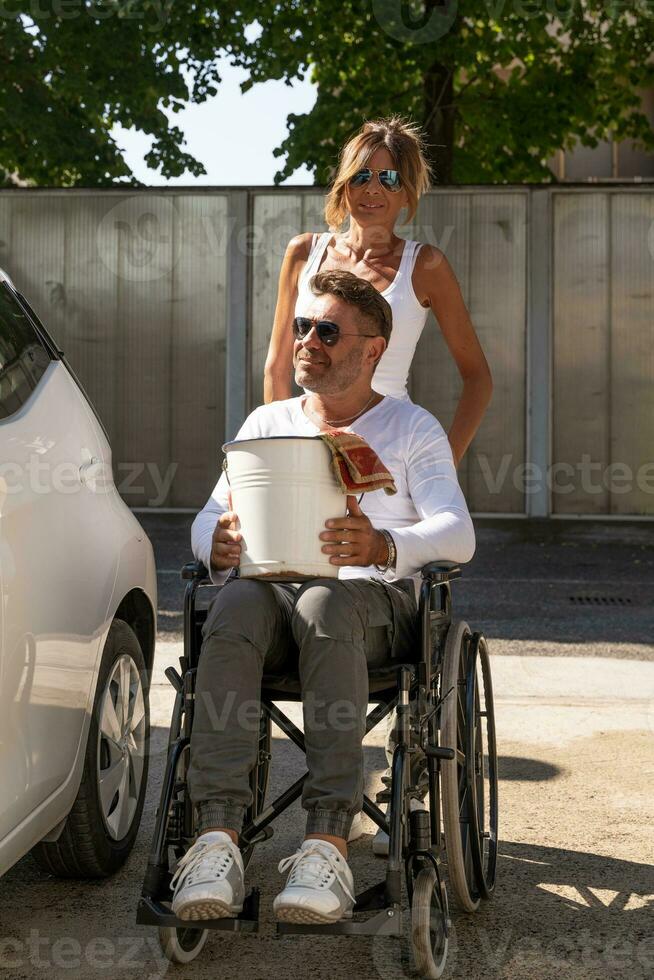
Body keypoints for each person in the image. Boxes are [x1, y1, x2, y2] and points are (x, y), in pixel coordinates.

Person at [171, 270, 475, 926]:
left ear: (372, 350)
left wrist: (383, 546)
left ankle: (327, 843)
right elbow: (206, 517)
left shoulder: (410, 428)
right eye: (301, 327)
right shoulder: (267, 421)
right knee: (234, 603)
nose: (306, 340)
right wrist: (215, 545)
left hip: (373, 606)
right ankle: (217, 840)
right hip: (274, 598)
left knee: (325, 604)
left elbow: (459, 531)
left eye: (326, 330)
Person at [263, 114, 492, 847]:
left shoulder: (425, 267)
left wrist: (437, 469)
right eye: (360, 174)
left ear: (408, 189)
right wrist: (273, 460)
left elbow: (477, 377)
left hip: (388, 464)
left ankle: (376, 780)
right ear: (343, 182)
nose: (370, 189)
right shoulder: (305, 251)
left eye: (387, 177)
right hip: (303, 451)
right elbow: (277, 370)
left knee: (364, 601)